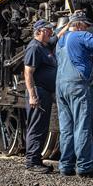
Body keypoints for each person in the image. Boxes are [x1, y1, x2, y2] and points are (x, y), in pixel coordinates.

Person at [56, 11, 93, 177]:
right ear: (80, 24)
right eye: (86, 25)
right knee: (83, 126)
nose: (88, 28)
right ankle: (84, 167)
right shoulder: (80, 36)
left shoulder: (61, 40)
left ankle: (65, 166)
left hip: (61, 86)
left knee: (66, 128)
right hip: (78, 85)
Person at [24, 19, 68, 173]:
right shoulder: (34, 48)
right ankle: (31, 162)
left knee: (42, 127)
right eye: (48, 29)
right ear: (40, 31)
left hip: (45, 92)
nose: (51, 32)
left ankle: (37, 160)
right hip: (38, 92)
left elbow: (58, 36)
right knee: (36, 127)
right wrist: (32, 95)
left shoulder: (45, 45)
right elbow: (28, 72)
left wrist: (70, 23)